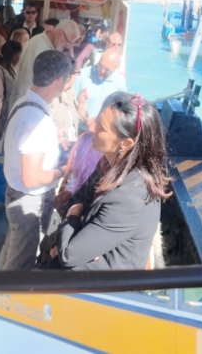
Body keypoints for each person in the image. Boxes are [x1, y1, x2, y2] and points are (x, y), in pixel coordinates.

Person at [43, 93, 171, 270]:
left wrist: (72, 217)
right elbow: (78, 198)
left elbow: (68, 254)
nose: (93, 128)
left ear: (125, 143)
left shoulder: (129, 199)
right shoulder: (108, 164)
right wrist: (74, 242)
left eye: (101, 127)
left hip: (99, 284)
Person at [0, 50, 75, 270]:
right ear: (59, 80)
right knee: (20, 264)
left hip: (16, 195)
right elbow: (32, 178)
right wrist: (65, 169)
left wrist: (53, 138)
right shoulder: (36, 119)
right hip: (29, 200)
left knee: (12, 249)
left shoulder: (26, 102)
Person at [10, 19, 83, 108]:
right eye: (68, 42)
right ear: (60, 33)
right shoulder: (37, 46)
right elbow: (27, 83)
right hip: (27, 105)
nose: (68, 46)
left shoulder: (54, 46)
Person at [75, 48, 127, 131]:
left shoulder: (119, 82)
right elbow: (69, 104)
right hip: (80, 129)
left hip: (104, 132)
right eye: (100, 66)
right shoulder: (81, 76)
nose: (102, 71)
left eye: (107, 70)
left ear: (116, 68)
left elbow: (123, 110)